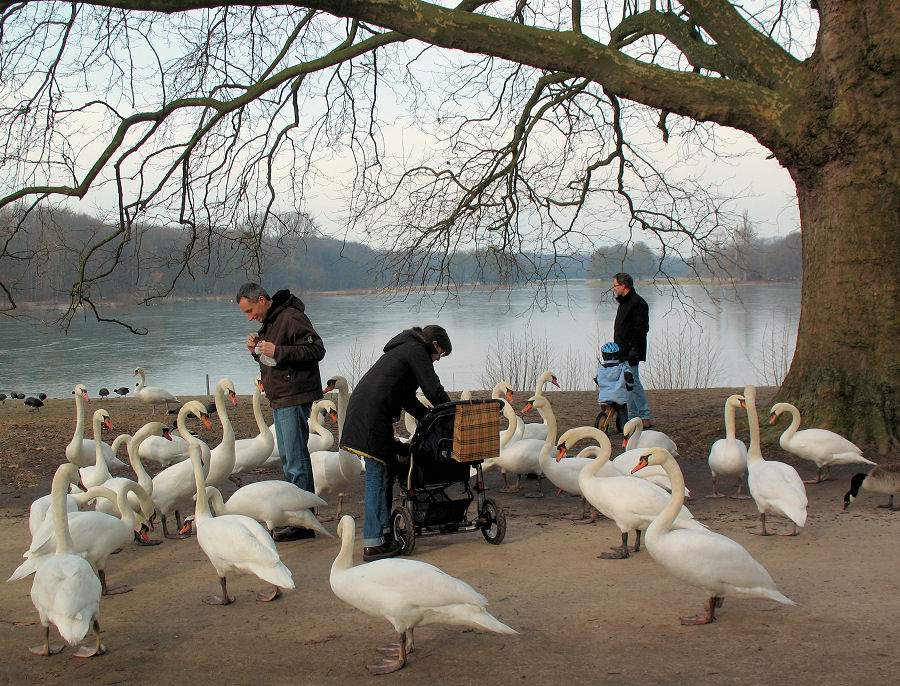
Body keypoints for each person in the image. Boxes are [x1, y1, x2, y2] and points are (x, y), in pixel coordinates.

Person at [340, 325, 452, 562]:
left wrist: (429, 418)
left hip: (366, 411)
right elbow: (433, 389)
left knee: (384, 472)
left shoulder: (403, 350)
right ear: (433, 345)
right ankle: (372, 542)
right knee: (376, 475)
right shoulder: (416, 350)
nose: (437, 360)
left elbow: (406, 398)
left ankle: (383, 532)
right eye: (439, 354)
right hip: (371, 416)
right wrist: (451, 413)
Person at [236, 282, 326, 542]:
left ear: (263, 300)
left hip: (293, 395)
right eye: (246, 313)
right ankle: (300, 519)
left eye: (250, 310)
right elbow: (275, 361)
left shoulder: (291, 317)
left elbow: (317, 349)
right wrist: (258, 351)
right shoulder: (273, 321)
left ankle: (304, 522)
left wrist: (278, 350)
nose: (250, 317)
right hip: (282, 395)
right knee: (289, 458)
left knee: (295, 459)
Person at [612, 272, 652, 427]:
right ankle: (632, 416)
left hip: (631, 351)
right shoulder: (624, 303)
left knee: (633, 383)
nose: (614, 288)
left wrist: (633, 350)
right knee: (627, 385)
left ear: (623, 286)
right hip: (622, 351)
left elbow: (641, 329)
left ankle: (644, 415)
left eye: (615, 285)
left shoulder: (638, 303)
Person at [593, 341, 634, 434]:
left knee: (605, 410)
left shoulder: (601, 369)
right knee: (622, 411)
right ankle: (625, 428)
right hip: (619, 396)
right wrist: (630, 387)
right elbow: (629, 379)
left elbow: (598, 380)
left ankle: (605, 427)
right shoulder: (623, 367)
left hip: (604, 397)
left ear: (603, 356)